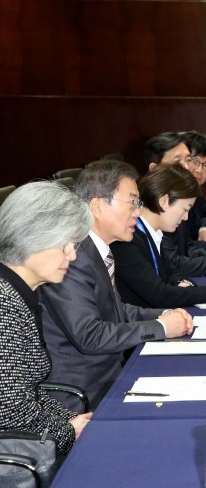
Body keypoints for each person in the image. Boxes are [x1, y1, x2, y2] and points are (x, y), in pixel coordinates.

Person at [38, 161, 194, 410]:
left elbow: (116, 310)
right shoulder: (70, 258)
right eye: (132, 202)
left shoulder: (95, 250)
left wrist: (163, 315)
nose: (138, 212)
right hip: (84, 395)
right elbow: (90, 336)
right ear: (98, 206)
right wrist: (160, 327)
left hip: (111, 375)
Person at [0, 182, 93, 455]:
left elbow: (29, 392)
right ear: (31, 237)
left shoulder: (21, 290)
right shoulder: (4, 302)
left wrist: (70, 420)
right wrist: (68, 432)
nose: (73, 256)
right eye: (65, 246)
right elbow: (9, 408)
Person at [110, 163, 206, 308]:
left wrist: (184, 283)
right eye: (184, 209)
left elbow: (169, 273)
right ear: (164, 202)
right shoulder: (127, 239)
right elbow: (159, 294)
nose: (186, 217)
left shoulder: (152, 232)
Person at [143, 132, 206, 276]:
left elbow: (184, 248)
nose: (188, 167)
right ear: (154, 169)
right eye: (177, 161)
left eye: (189, 159)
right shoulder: (152, 205)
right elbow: (172, 264)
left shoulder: (179, 200)